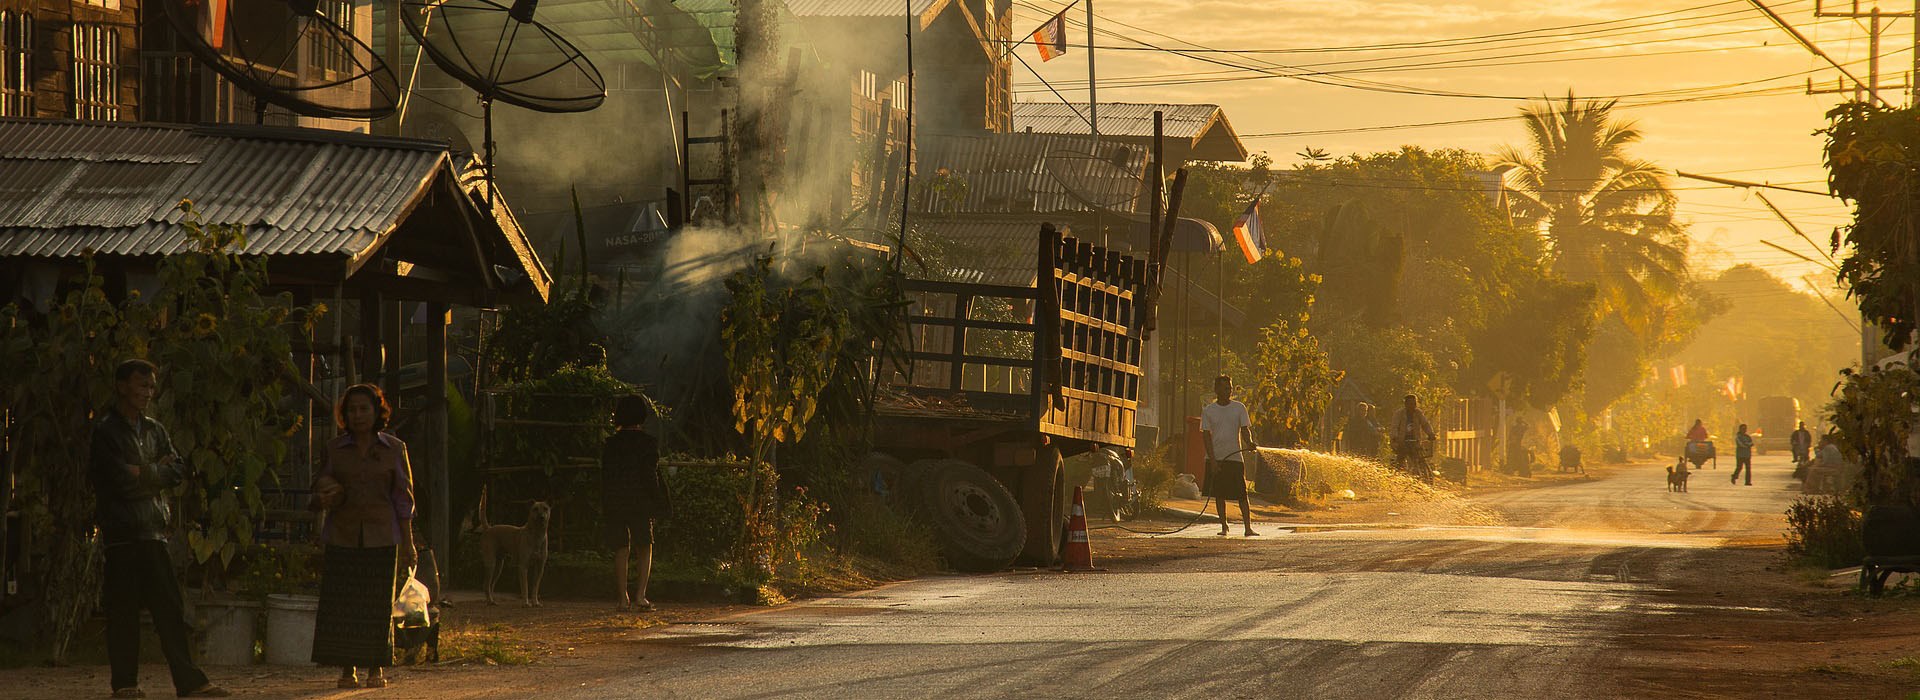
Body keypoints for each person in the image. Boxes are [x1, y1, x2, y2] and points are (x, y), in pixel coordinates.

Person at [88, 359, 231, 699]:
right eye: (142, 385)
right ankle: (125, 684)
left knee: (169, 609)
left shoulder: (155, 430)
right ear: (122, 386)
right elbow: (116, 479)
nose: (148, 393)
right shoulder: (106, 430)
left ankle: (189, 681)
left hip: (153, 530)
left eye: (151, 387)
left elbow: (177, 470)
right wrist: (153, 473)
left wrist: (143, 472)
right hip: (122, 532)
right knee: (123, 611)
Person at [310, 384, 416, 689]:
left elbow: (403, 499)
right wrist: (328, 492)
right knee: (344, 604)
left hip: (382, 536)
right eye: (351, 410)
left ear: (377, 412)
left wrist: (409, 544)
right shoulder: (334, 449)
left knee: (377, 605)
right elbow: (318, 484)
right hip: (342, 535)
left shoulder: (395, 449)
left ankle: (375, 668)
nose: (357, 415)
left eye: (364, 409)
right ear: (344, 415)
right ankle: (347, 669)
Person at [602, 394, 670, 611]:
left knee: (621, 547)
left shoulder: (611, 444)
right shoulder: (648, 443)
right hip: (641, 501)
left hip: (616, 500)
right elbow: (651, 475)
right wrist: (659, 500)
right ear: (642, 415)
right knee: (644, 545)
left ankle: (623, 599)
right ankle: (641, 596)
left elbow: (606, 475)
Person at [1200, 375, 1258, 537]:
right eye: (1225, 388)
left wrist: (1249, 443)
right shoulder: (1209, 410)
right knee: (1220, 494)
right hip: (1216, 458)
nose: (1228, 391)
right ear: (1216, 390)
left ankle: (1248, 528)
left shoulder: (1239, 408)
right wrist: (1212, 461)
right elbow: (1206, 436)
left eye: (1230, 388)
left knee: (1241, 494)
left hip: (1235, 458)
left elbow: (1245, 429)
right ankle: (1224, 526)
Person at [1389, 394, 1438, 480]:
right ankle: (1397, 477)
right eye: (1410, 404)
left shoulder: (1418, 413)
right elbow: (1394, 426)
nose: (1413, 406)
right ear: (1406, 404)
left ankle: (1421, 475)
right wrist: (1394, 437)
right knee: (1400, 459)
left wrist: (1431, 434)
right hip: (1402, 441)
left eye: (1414, 404)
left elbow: (1425, 424)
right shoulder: (1399, 414)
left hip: (1415, 441)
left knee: (1419, 458)